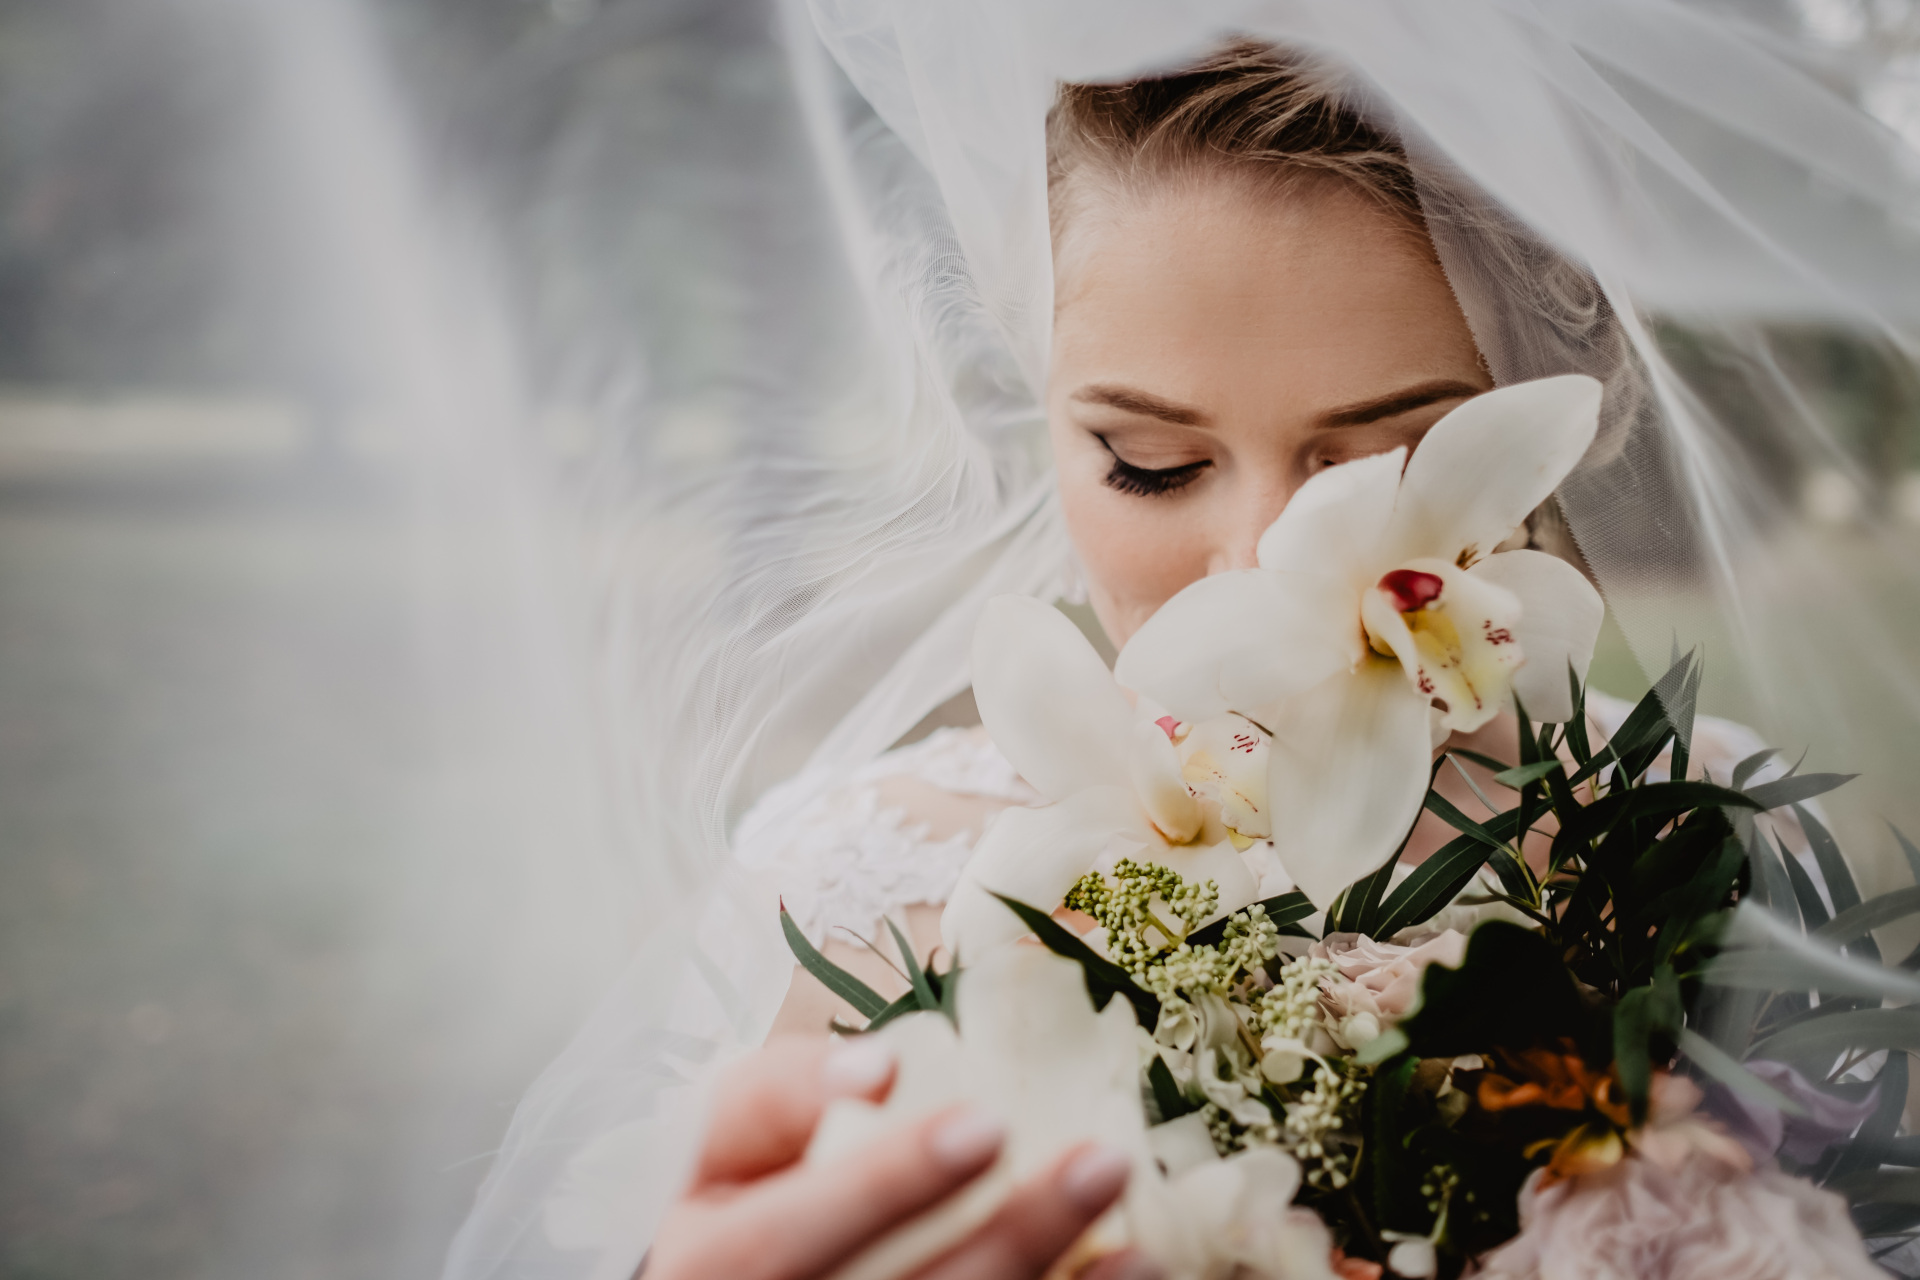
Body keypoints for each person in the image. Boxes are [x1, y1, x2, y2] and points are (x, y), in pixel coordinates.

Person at [443, 8, 1920, 1280]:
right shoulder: (866, 899)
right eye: (1150, 464)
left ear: (1549, 422)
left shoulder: (1713, 856)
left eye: (1377, 470)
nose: (1258, 585)